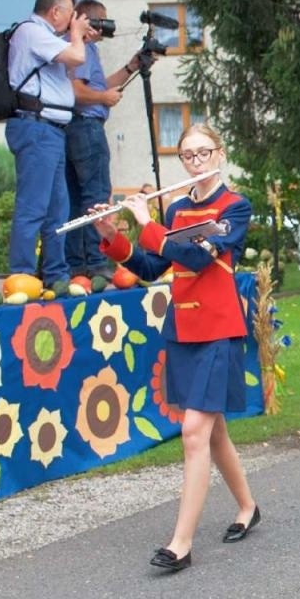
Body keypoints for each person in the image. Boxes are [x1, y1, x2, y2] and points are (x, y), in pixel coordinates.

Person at [93, 124, 259, 571]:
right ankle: (247, 507)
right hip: (184, 329)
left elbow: (200, 256)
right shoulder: (179, 207)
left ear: (219, 155)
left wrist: (148, 222)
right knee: (213, 430)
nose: (196, 162)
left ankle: (180, 543)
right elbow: (152, 265)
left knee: (193, 433)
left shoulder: (234, 207)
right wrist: (114, 236)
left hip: (219, 329)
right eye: (188, 156)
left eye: (204, 153)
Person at [5, 0, 87, 286]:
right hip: (36, 128)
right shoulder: (31, 32)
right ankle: (22, 276)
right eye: (70, 13)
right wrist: (77, 35)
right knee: (33, 207)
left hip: (50, 131)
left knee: (57, 211)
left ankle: (56, 275)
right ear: (55, 12)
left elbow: (70, 61)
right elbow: (76, 57)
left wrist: (77, 35)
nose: (72, 19)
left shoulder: (47, 39)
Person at [65, 0, 147, 280]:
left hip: (74, 128)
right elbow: (76, 91)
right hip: (87, 125)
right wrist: (103, 98)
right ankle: (96, 263)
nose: (104, 28)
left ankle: (77, 264)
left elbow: (97, 85)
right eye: (101, 21)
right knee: (96, 195)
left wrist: (131, 67)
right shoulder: (82, 48)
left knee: (77, 197)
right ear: (86, 21)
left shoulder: (78, 49)